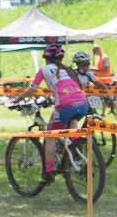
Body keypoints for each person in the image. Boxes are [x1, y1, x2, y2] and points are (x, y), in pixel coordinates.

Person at [11, 44, 89, 181]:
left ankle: (48, 171)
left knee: (50, 136)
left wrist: (17, 99)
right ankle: (75, 148)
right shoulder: (68, 70)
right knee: (72, 121)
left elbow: (32, 89)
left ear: (46, 58)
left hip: (65, 105)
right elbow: (70, 88)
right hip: (82, 104)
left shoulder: (44, 70)